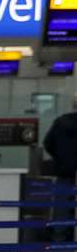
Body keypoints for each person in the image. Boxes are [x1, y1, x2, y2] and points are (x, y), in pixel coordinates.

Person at [44, 95, 77, 243]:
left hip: (64, 172)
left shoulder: (60, 122)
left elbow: (48, 143)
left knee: (61, 208)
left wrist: (61, 158)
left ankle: (59, 240)